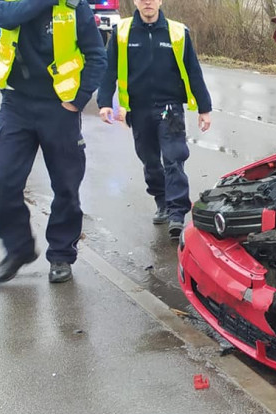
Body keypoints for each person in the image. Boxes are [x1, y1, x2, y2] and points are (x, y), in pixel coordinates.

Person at [0, 0, 106, 284]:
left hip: (59, 108)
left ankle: (61, 255)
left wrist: (78, 101)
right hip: (16, 103)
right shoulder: (10, 3)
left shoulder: (73, 7)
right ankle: (18, 249)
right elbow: (5, 17)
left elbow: (97, 56)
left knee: (66, 186)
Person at [97, 0, 212, 241]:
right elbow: (109, 69)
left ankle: (177, 213)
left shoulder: (178, 32)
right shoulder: (122, 32)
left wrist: (205, 108)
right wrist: (105, 101)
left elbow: (193, 70)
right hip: (138, 109)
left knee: (174, 157)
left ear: (160, 1)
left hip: (170, 107)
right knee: (150, 161)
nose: (147, 2)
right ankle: (162, 201)